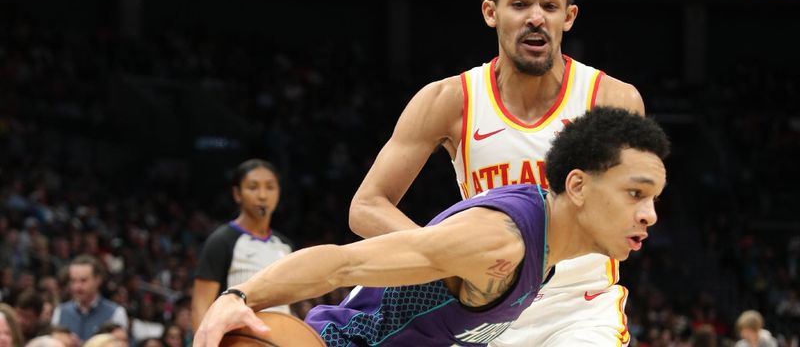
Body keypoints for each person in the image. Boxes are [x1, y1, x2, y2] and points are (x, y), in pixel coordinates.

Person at [349, 0, 645, 346]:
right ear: (492, 11)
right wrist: (445, 259)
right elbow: (366, 206)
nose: (536, 17)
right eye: (520, 3)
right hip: (486, 309)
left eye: (550, 5)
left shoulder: (612, 100)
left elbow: (634, 214)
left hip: (578, 305)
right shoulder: (448, 100)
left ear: (569, 16)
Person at [193, 108, 669, 347]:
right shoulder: (500, 241)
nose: (649, 214)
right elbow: (343, 263)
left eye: (653, 198)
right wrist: (237, 299)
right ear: (579, 186)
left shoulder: (545, 245)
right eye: (635, 193)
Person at [191, 160, 292, 331]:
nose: (262, 195)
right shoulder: (222, 241)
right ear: (237, 194)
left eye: (270, 187)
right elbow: (200, 306)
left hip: (281, 337)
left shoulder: (285, 246)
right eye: (253, 187)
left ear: (278, 193)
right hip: (238, 338)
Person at [51, 255, 128, 343]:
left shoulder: (116, 313)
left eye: (83, 280)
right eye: (73, 281)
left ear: (97, 280)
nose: (77, 287)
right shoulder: (60, 311)